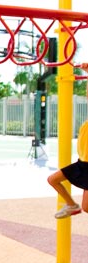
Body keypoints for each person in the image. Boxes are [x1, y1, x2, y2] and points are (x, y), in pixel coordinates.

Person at [47, 62, 88, 219]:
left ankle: (75, 206)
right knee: (52, 180)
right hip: (81, 164)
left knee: (87, 207)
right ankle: (71, 204)